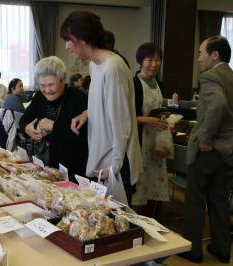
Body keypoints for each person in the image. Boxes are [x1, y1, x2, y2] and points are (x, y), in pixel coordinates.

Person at [60, 11, 142, 205]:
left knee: (119, 223)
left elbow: (122, 123)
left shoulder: (113, 67)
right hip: (103, 155)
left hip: (117, 160)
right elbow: (105, 104)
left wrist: (113, 167)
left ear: (82, 39)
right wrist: (87, 113)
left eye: (68, 39)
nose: (66, 45)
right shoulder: (94, 65)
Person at [179, 36, 233, 264]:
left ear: (214, 55)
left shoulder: (209, 77)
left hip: (208, 152)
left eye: (201, 53)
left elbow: (218, 105)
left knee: (196, 201)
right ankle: (221, 249)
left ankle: (193, 250)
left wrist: (205, 138)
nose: (198, 58)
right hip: (229, 153)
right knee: (219, 202)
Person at [19, 56, 88, 183]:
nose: (47, 90)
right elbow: (24, 120)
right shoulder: (39, 96)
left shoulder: (78, 98)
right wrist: (26, 128)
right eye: (42, 85)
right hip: (45, 163)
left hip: (72, 165)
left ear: (63, 79)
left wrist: (53, 125)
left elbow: (82, 136)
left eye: (51, 84)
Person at [131, 43, 169, 217]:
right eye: (150, 60)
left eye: (158, 60)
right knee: (139, 184)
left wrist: (165, 117)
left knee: (154, 183)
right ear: (140, 62)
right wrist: (148, 120)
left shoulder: (159, 84)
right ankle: (136, 222)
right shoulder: (134, 85)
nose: (154, 64)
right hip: (139, 142)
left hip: (156, 142)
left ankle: (152, 220)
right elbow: (125, 118)